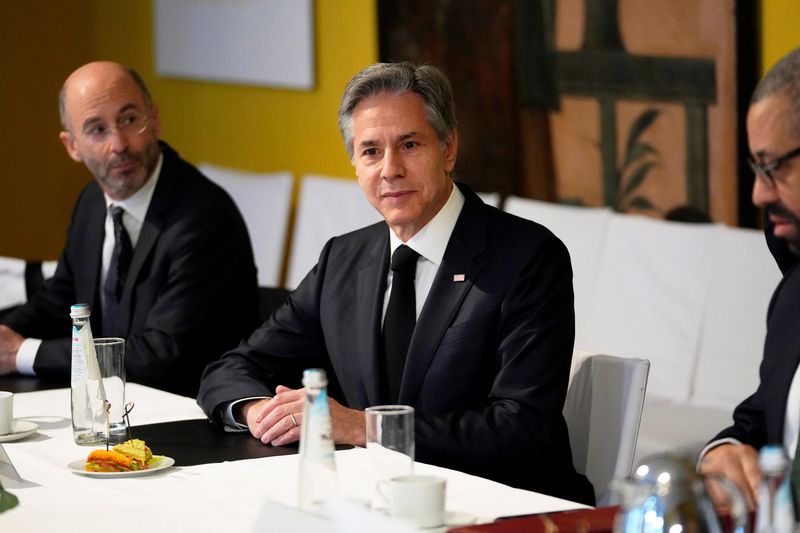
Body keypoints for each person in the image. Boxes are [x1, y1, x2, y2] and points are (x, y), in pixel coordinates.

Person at [197, 62, 594, 505]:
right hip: (373, 503)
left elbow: (522, 427)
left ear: (448, 149)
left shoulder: (529, 257)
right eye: (370, 151)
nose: (390, 169)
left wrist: (362, 426)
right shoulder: (342, 260)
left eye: (409, 144)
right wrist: (257, 412)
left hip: (503, 505)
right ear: (354, 163)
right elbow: (230, 370)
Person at [0, 61, 259, 397]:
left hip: (189, 413)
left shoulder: (203, 217)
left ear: (155, 119)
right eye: (97, 129)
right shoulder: (92, 202)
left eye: (129, 119)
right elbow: (60, 299)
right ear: (72, 146)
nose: (119, 144)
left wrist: (22, 354)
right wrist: (7, 333)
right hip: (115, 403)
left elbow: (161, 354)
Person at [699, 46, 800, 510]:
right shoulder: (794, 297)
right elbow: (760, 419)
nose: (759, 193)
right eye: (755, 169)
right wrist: (722, 455)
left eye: (773, 166)